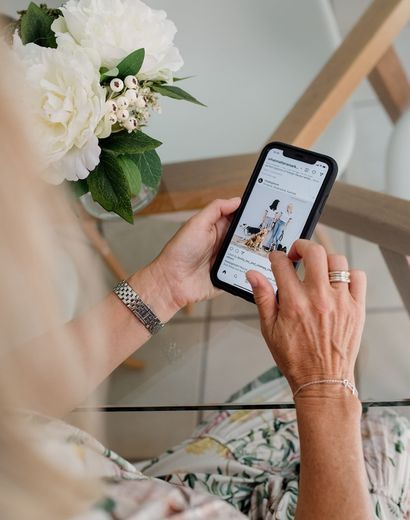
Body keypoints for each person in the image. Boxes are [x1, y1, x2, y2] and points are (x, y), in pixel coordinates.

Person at [1, 42, 409, 520]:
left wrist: (164, 286)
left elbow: (14, 401)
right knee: (390, 437)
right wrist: (326, 387)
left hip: (171, 480)